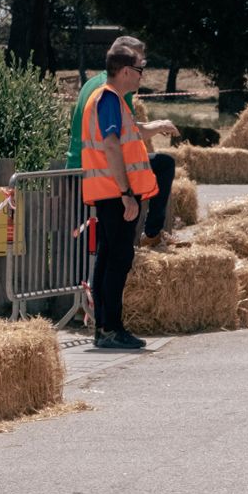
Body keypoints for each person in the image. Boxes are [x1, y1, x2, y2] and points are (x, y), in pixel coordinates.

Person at [79, 44, 164, 350]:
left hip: (108, 193)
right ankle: (111, 328)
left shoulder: (110, 100)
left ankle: (105, 328)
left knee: (107, 258)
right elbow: (112, 146)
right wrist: (127, 193)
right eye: (140, 70)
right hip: (115, 194)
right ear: (126, 71)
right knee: (118, 258)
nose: (142, 76)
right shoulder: (109, 99)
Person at [66, 34, 180, 246]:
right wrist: (126, 193)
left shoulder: (95, 82)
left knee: (107, 252)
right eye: (139, 65)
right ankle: (152, 233)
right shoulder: (113, 90)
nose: (141, 73)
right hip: (98, 168)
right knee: (164, 165)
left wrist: (154, 127)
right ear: (125, 65)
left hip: (84, 165)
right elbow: (115, 139)